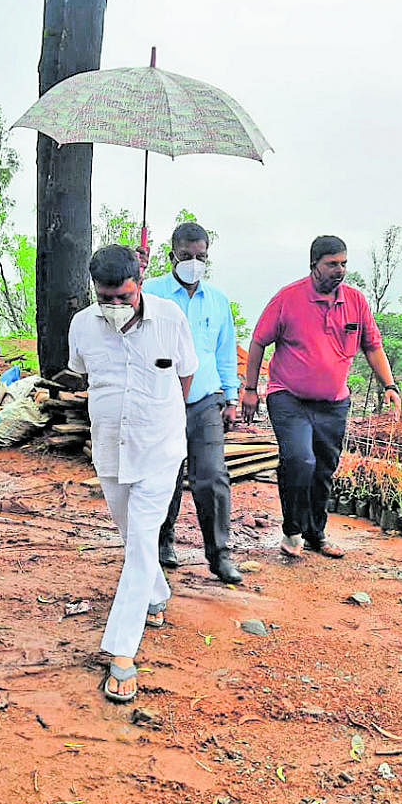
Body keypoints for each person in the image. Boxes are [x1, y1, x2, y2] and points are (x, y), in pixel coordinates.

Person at [68, 245, 197, 702]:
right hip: (109, 448)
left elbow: (186, 376)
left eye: (124, 295)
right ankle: (156, 595)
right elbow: (84, 374)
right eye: (107, 297)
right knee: (131, 536)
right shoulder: (83, 324)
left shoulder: (169, 319)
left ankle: (122, 651)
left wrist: (159, 414)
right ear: (94, 290)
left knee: (142, 538)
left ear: (138, 283)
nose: (116, 305)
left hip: (159, 447)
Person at [242, 235, 401, 559]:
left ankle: (315, 534)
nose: (339, 270)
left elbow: (372, 346)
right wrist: (249, 390)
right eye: (332, 264)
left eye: (343, 263)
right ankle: (292, 531)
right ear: (314, 264)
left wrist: (390, 386)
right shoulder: (288, 298)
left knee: (323, 469)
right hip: (289, 396)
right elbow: (258, 342)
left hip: (333, 402)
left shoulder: (355, 301)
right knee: (299, 460)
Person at [141, 222, 242, 584]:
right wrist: (133, 279)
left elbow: (224, 352)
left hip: (205, 400)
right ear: (172, 256)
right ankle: (162, 542)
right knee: (164, 475)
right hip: (161, 399)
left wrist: (231, 397)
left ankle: (219, 556)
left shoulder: (217, 300)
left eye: (200, 257)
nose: (193, 262)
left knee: (212, 477)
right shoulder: (149, 293)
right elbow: (122, 323)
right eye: (186, 256)